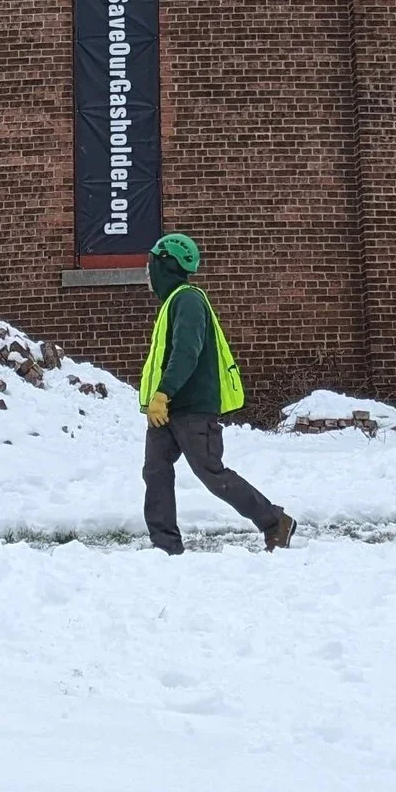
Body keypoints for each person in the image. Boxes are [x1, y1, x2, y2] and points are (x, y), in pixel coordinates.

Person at [138, 231, 295, 554]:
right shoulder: (173, 303)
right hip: (167, 409)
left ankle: (274, 521)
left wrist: (163, 393)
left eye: (150, 264)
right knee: (155, 471)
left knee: (211, 473)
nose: (146, 272)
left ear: (164, 266)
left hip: (190, 407)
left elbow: (187, 352)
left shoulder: (188, 300)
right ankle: (164, 545)